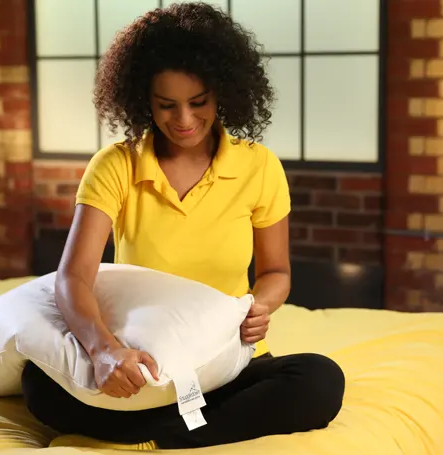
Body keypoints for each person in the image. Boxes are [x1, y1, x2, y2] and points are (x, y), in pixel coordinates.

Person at [21, 2, 345, 450]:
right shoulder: (116, 165)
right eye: (166, 105)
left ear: (223, 93)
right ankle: (188, 428)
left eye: (199, 103)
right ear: (142, 101)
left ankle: (158, 436)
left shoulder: (259, 166)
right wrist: (104, 350)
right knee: (36, 383)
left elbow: (277, 273)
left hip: (224, 361)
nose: (185, 120)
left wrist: (259, 307)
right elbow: (73, 277)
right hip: (141, 363)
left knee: (319, 380)